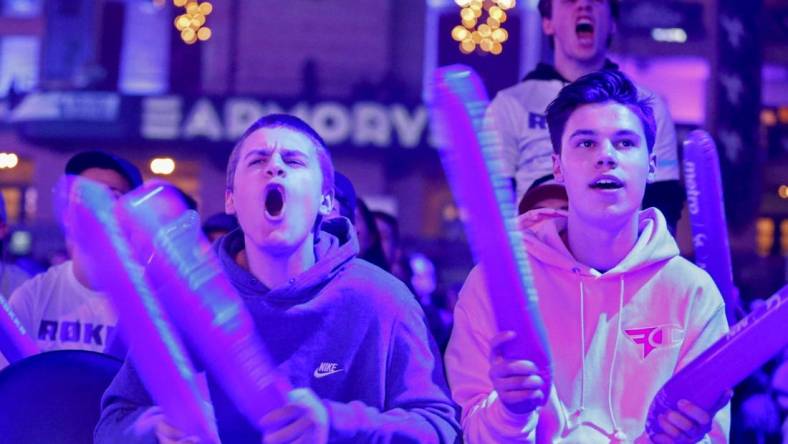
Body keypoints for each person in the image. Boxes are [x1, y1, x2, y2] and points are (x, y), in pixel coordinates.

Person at [94, 114, 460, 443]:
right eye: (257, 160)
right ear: (231, 200)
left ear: (325, 201)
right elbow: (111, 422)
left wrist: (337, 427)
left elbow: (439, 427)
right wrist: (155, 430)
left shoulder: (382, 300)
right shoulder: (178, 302)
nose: (275, 168)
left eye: (294, 160)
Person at [445, 71, 729, 442]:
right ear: (558, 166)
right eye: (585, 144)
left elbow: (717, 433)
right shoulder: (494, 285)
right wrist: (510, 412)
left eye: (625, 143)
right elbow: (471, 433)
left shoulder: (693, 293)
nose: (605, 157)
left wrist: (684, 438)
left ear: (652, 165)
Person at [487, 0, 684, 231]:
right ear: (547, 23)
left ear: (612, 23)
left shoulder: (646, 105)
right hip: (533, 248)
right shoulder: (510, 104)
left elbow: (664, 198)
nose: (583, 4)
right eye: (569, 0)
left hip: (620, 250)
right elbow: (492, 200)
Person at [6, 150, 142, 359]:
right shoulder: (33, 297)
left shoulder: (153, 300)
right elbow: (14, 384)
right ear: (67, 213)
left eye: (113, 196)